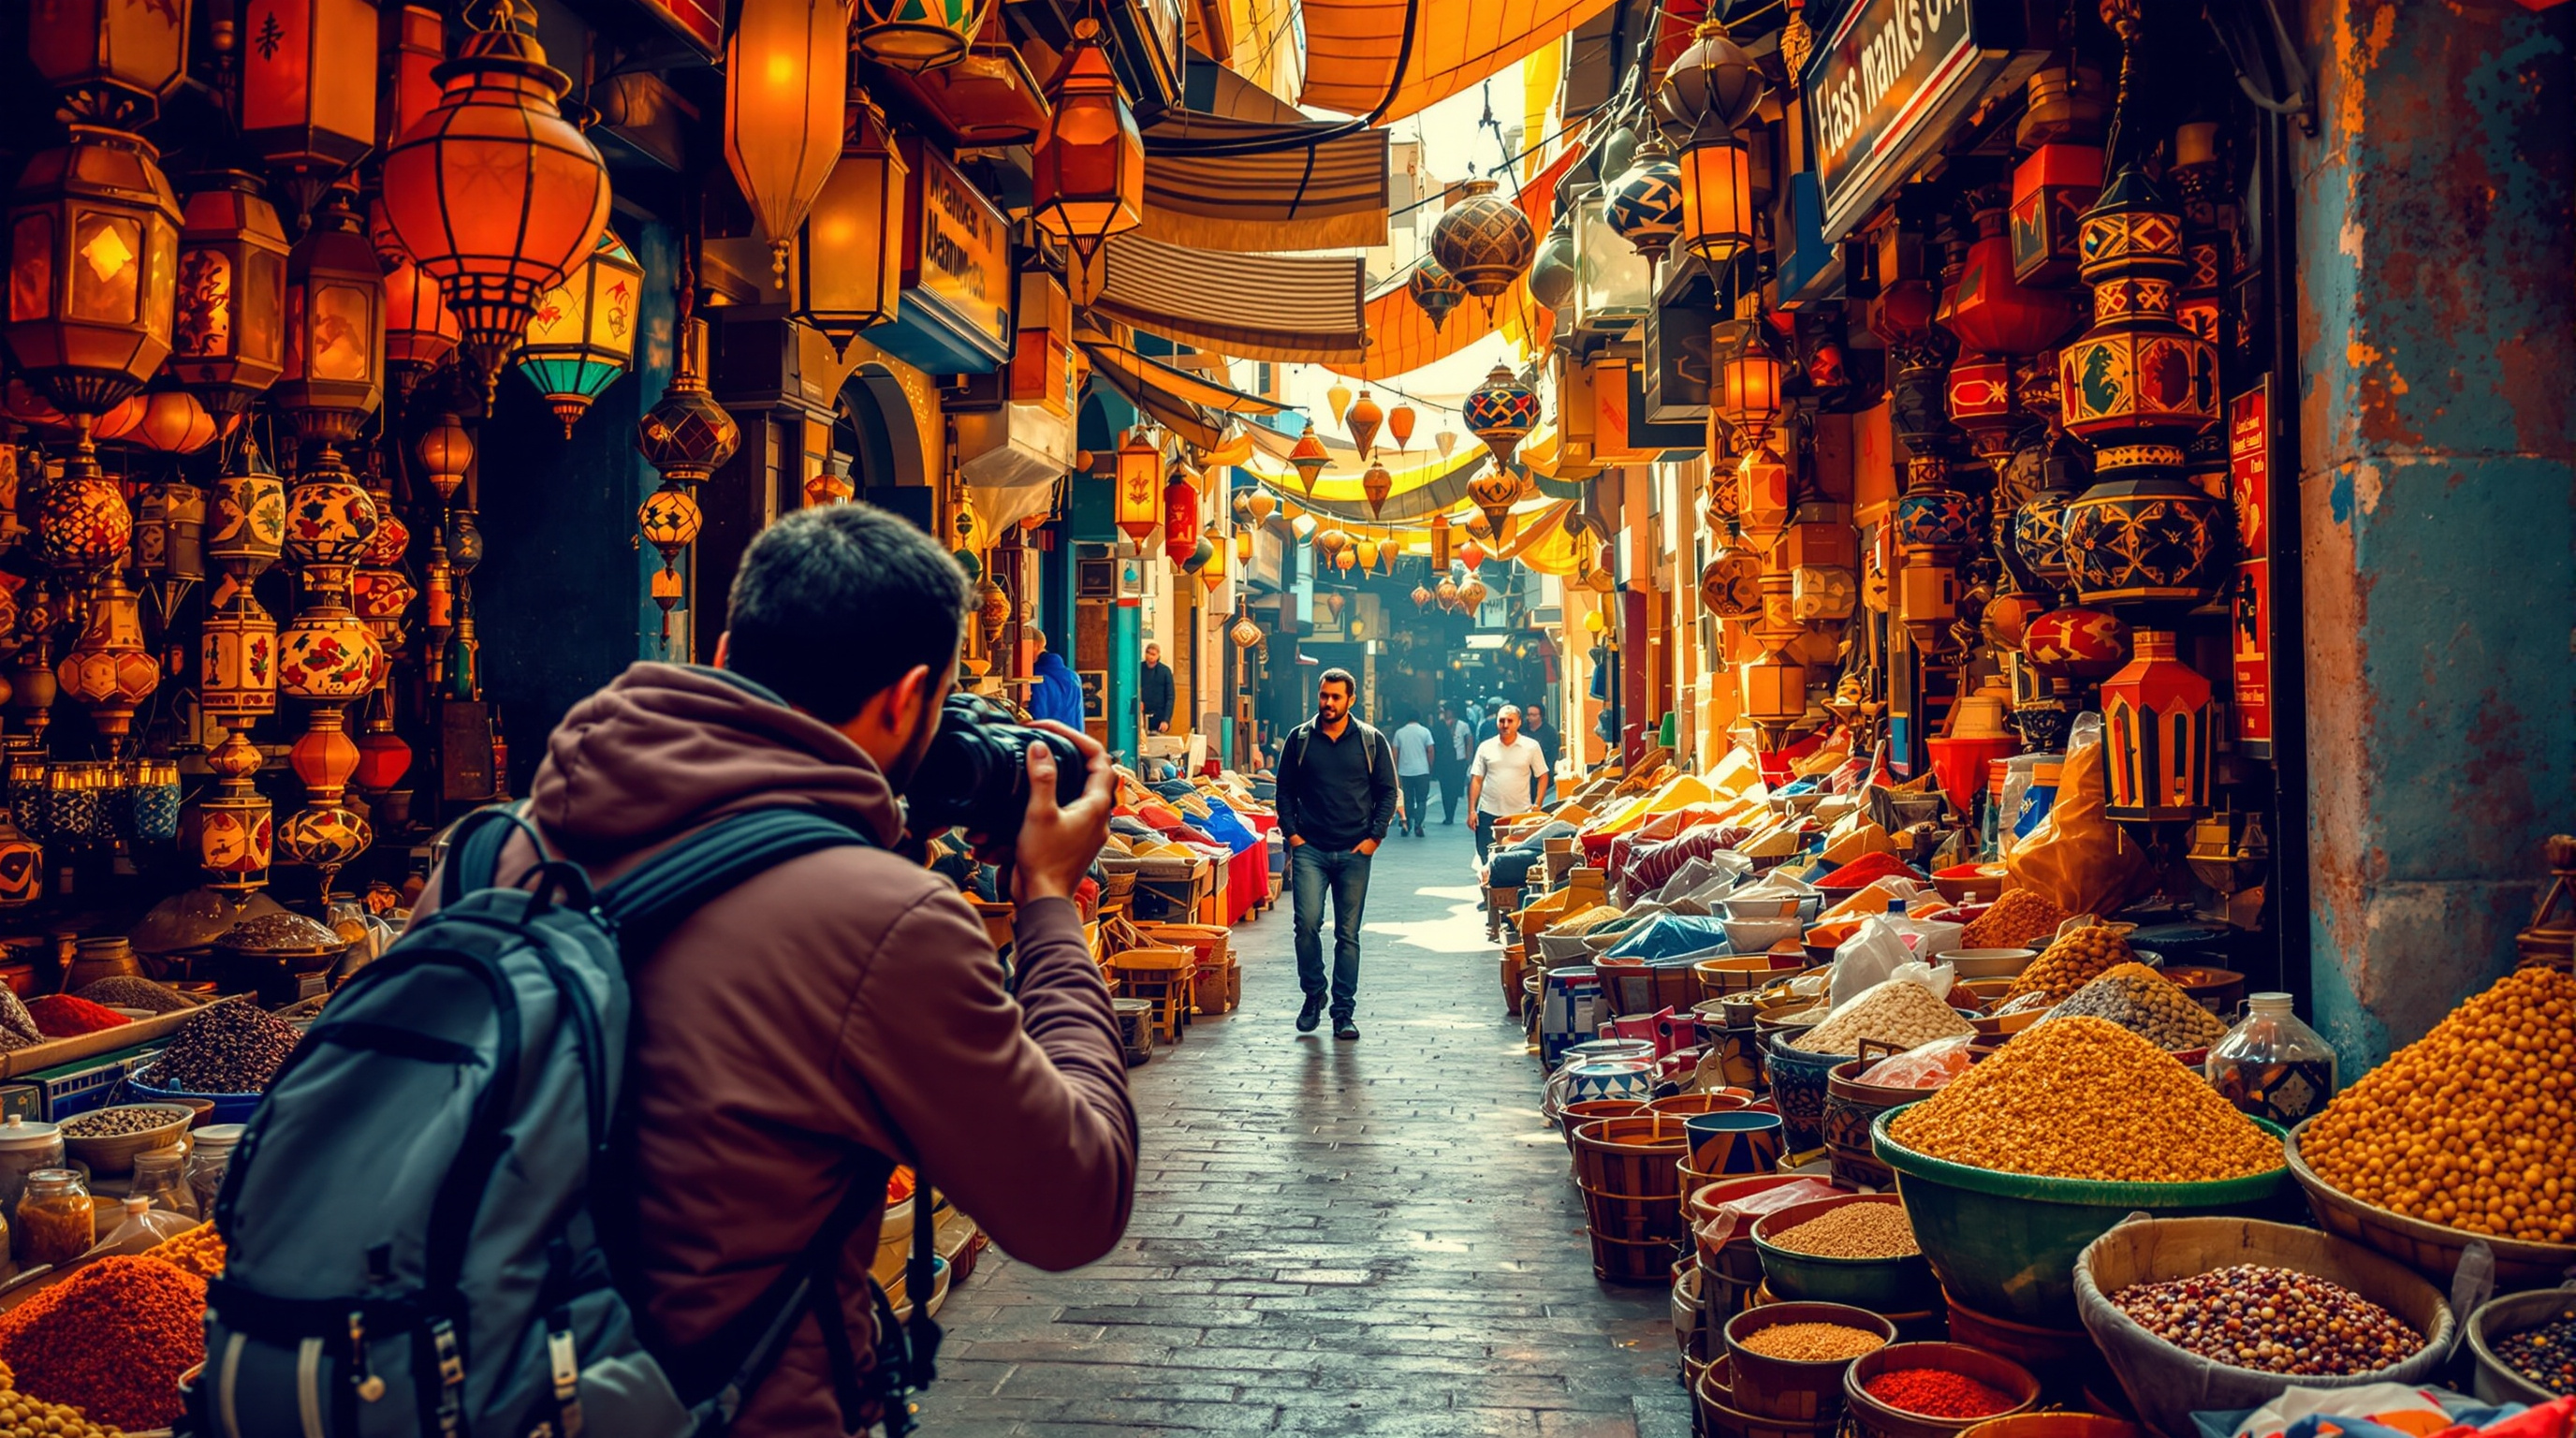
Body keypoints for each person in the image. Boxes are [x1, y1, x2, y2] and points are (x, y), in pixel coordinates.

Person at [422, 506, 1137, 1434]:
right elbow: (1075, 1201)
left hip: (472, 1389)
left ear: (724, 648)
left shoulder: (486, 853)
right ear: (906, 695)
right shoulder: (885, 924)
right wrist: (1045, 899)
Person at [1272, 668, 1397, 1040]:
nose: (1328, 703)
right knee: (1307, 925)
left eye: (1335, 697)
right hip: (1310, 849)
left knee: (1348, 934)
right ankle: (1313, 994)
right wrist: (1293, 836)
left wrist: (1375, 838)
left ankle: (1343, 1012)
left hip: (1355, 851)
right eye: (1324, 696)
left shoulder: (1370, 741)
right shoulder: (1300, 739)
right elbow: (1284, 791)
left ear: (1350, 700)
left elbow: (1388, 792)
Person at [1468, 703, 1554, 864]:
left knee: (1515, 857)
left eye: (1510, 721)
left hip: (1519, 814)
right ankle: (1490, 888)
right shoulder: (1486, 747)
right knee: (1485, 856)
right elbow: (1476, 779)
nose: (1505, 725)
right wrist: (1472, 810)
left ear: (1519, 723)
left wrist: (1538, 804)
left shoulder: (1530, 746)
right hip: (1488, 812)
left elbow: (1543, 775)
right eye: (1502, 721)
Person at [1026, 623, 1085, 730]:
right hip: (1072, 742)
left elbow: (1037, 717)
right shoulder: (1074, 677)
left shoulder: (1038, 678)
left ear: (1035, 645)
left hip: (1048, 742)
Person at [1392, 711, 1436, 838]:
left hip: (1405, 771)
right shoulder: (1425, 732)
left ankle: (1406, 826)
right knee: (1421, 799)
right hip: (1422, 771)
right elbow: (1431, 750)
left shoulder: (1399, 733)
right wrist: (1430, 766)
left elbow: (1395, 752)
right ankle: (1418, 825)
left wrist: (1395, 768)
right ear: (1419, 718)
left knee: (1408, 800)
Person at [1436, 702, 1474, 825]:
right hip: (1444, 761)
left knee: (1453, 789)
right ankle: (1448, 813)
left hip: (1458, 760)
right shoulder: (1440, 725)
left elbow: (1469, 742)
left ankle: (1450, 814)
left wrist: (1469, 759)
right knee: (1445, 788)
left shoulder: (1463, 725)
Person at [1137, 641, 1176, 734]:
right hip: (1141, 716)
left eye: (1153, 654)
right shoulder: (1138, 669)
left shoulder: (1165, 671)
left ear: (1158, 655)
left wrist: (1166, 720)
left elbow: (1170, 696)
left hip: (1159, 717)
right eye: (1148, 653)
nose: (1150, 656)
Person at [1522, 699, 1561, 771]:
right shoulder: (1521, 729)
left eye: (1533, 715)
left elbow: (1552, 756)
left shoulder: (1550, 733)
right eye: (1528, 714)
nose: (1529, 718)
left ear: (1541, 716)